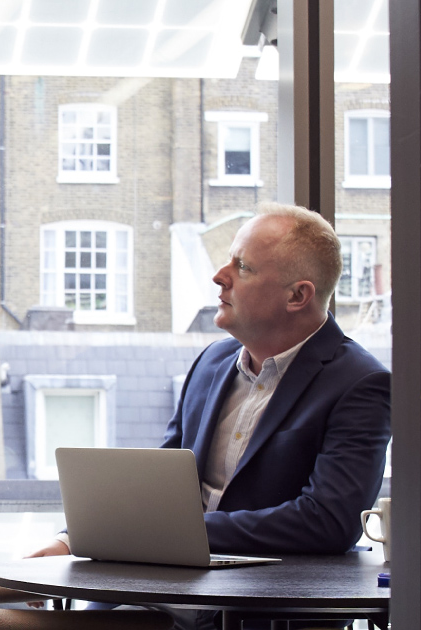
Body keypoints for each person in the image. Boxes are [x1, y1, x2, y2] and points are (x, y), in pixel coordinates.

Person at [28, 203, 391, 628]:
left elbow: (328, 522)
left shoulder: (360, 382)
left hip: (257, 613)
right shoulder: (211, 363)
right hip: (151, 596)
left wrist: (181, 533)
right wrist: (73, 537)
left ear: (298, 296)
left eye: (243, 267)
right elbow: (159, 485)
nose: (220, 276)